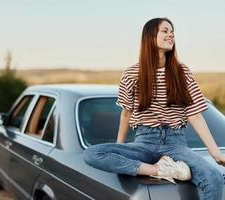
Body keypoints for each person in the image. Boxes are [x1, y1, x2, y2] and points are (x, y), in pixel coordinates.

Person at [83, 17, 225, 200]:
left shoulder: (182, 72)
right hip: (143, 143)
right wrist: (119, 147)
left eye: (172, 31)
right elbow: (126, 114)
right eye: (165, 31)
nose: (171, 34)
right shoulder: (132, 74)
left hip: (176, 144)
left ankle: (168, 167)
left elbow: (195, 115)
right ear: (150, 37)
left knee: (213, 177)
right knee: (92, 153)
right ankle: (160, 169)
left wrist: (215, 153)